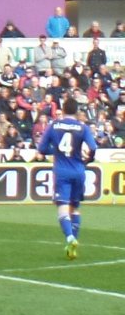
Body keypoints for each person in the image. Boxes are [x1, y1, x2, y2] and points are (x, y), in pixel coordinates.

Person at [36, 98, 97, 260]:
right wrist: (87, 160)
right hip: (78, 170)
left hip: (62, 171)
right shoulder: (82, 127)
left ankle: (70, 237)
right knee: (75, 208)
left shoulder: (54, 125)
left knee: (63, 206)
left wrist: (55, 150)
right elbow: (93, 148)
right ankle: (73, 245)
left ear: (62, 110)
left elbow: (41, 149)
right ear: (77, 111)